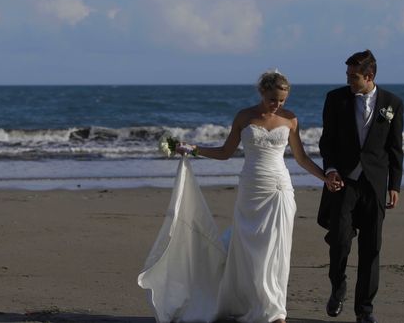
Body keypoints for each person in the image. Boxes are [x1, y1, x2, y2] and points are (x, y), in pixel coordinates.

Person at [138, 70, 331, 323]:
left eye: (282, 100)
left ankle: (275, 310)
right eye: (273, 99)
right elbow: (225, 152)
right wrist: (194, 150)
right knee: (249, 250)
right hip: (251, 188)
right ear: (262, 92)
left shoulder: (290, 119)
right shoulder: (244, 116)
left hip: (280, 189)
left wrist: (325, 177)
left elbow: (302, 158)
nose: (278, 105)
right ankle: (249, 302)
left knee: (277, 250)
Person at [317, 50, 404, 323]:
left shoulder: (393, 103)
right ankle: (338, 284)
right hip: (343, 182)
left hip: (375, 185)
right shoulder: (335, 99)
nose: (349, 81)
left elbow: (395, 148)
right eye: (347, 76)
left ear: (369, 76)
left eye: (354, 77)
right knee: (340, 240)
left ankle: (364, 311)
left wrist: (395, 185)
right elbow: (326, 142)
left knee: (371, 248)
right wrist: (330, 170)